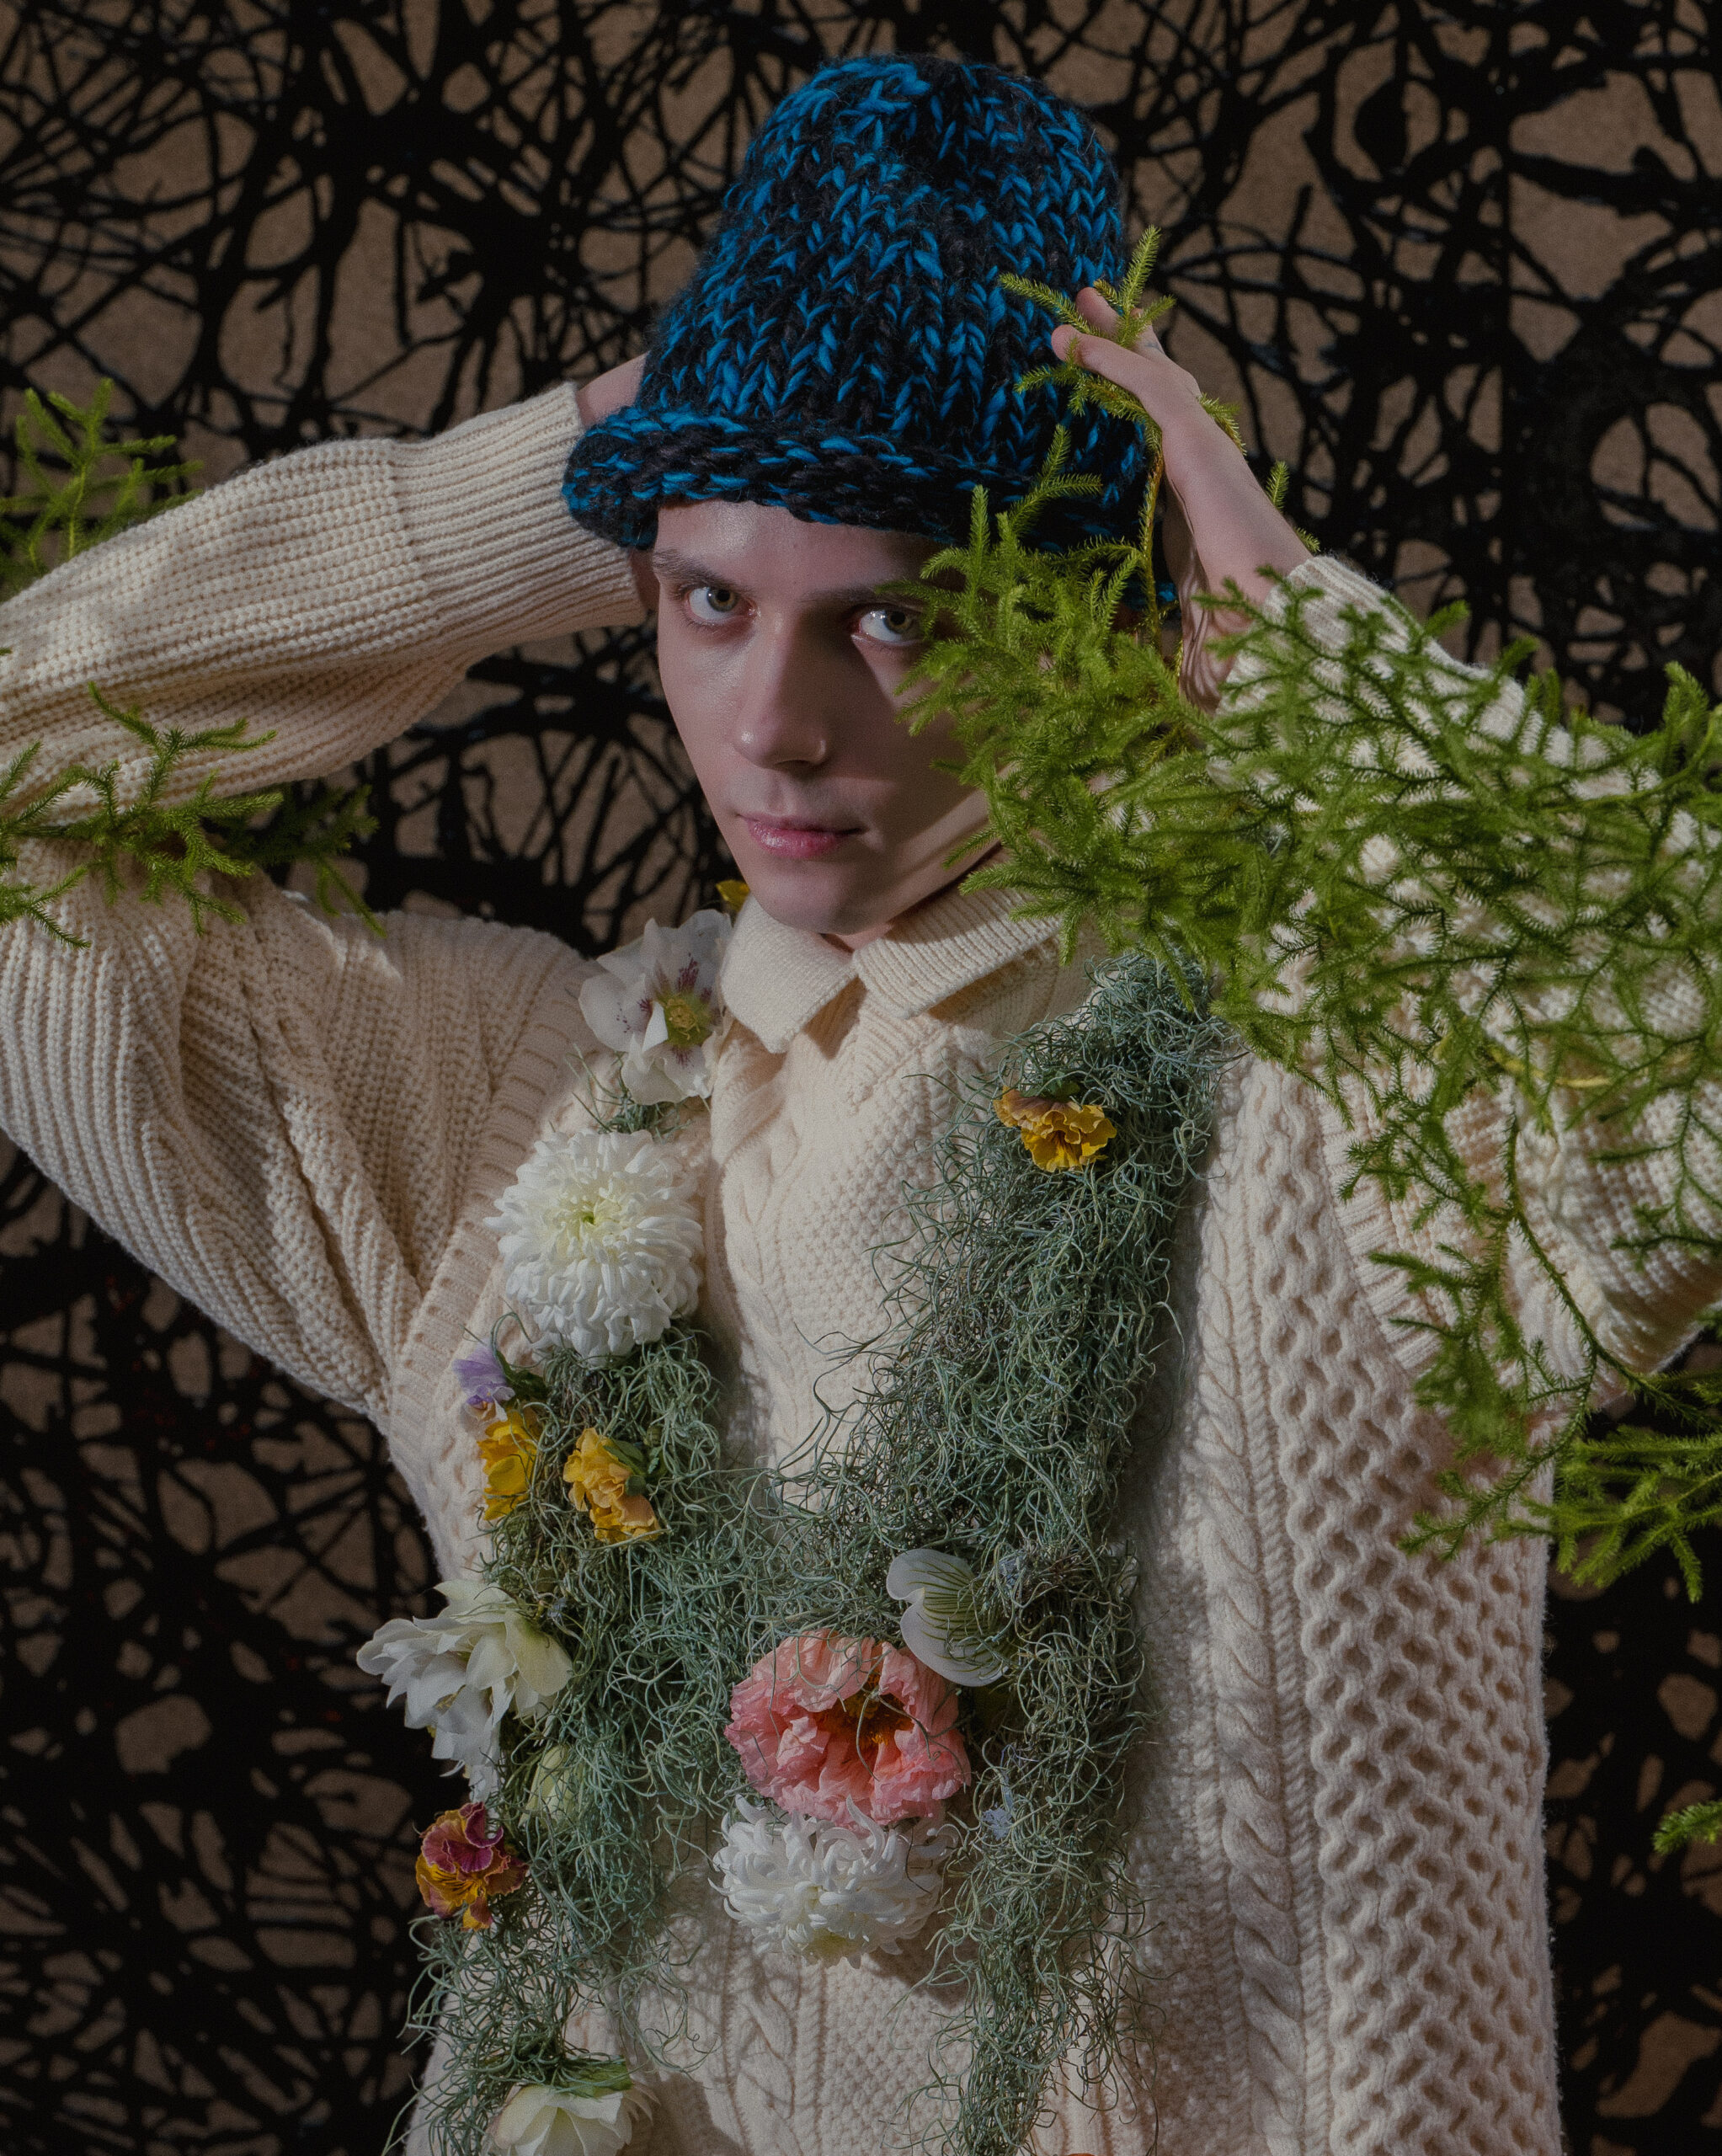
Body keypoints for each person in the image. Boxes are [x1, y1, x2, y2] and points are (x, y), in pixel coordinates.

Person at [2, 51, 1709, 2156]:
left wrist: (1307, 661)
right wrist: (542, 488)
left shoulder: (1341, 1104)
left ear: (1097, 614)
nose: (774, 723)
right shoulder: (520, 1113)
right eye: (707, 599)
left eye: (895, 611)